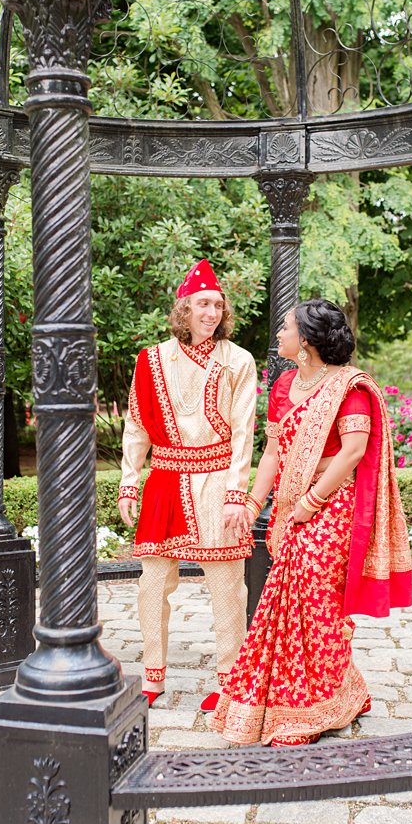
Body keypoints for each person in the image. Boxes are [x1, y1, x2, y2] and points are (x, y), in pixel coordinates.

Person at [211, 298, 412, 746]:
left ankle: (317, 705)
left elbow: (354, 450)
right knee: (286, 604)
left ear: (306, 341)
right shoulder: (284, 384)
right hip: (290, 506)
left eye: (285, 329)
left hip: (331, 506)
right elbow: (272, 452)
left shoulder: (349, 388)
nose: (278, 336)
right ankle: (319, 694)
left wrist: (312, 500)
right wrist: (250, 502)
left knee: (315, 597)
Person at [119, 260, 258, 710]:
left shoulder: (238, 360)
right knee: (152, 584)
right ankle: (153, 676)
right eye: (203, 304)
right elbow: (137, 426)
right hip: (166, 479)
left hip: (218, 480)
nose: (211, 313)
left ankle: (229, 678)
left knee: (226, 586)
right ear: (185, 308)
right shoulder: (152, 358)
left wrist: (239, 492)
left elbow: (243, 431)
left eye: (218, 305)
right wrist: (129, 482)